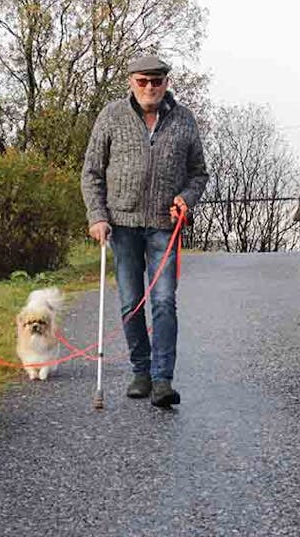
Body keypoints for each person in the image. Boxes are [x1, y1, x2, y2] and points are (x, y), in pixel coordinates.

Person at [81, 55, 209, 407]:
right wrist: (97, 216)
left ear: (166, 83)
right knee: (130, 303)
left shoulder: (183, 120)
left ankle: (162, 379)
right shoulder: (111, 116)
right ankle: (140, 370)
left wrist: (186, 198)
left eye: (157, 81)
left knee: (164, 301)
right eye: (143, 81)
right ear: (131, 83)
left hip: (164, 227)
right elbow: (91, 172)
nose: (150, 87)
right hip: (121, 226)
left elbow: (199, 173)